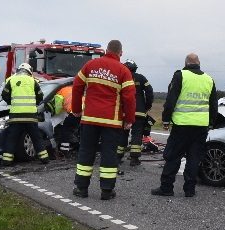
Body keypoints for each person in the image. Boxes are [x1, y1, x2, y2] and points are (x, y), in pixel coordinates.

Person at [71, 40, 136, 200]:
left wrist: (77, 109)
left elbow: (77, 86)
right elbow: (129, 97)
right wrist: (129, 119)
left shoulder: (90, 65)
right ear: (120, 53)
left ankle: (81, 188)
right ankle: (106, 191)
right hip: (111, 122)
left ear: (106, 50)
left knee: (86, 152)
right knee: (109, 154)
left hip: (89, 119)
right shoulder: (123, 70)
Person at [152, 53, 217, 198]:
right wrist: (211, 123)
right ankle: (190, 189)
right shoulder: (209, 79)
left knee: (173, 156)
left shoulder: (180, 75)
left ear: (186, 63)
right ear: (199, 63)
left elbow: (171, 100)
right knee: (194, 158)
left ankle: (166, 187)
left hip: (182, 125)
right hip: (201, 126)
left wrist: (166, 119)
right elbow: (214, 105)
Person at [1, 63, 51, 166]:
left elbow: (4, 95)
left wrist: (12, 102)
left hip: (15, 116)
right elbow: (40, 96)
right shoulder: (33, 81)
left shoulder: (11, 80)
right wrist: (34, 103)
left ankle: (6, 161)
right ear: (29, 71)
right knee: (36, 138)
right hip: (30, 116)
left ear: (18, 70)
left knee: (11, 139)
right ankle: (44, 159)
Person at [118, 59, 154, 166]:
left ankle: (118, 156)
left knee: (122, 134)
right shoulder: (141, 78)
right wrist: (147, 106)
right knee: (137, 134)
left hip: (124, 112)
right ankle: (134, 159)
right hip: (139, 112)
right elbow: (150, 92)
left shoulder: (121, 78)